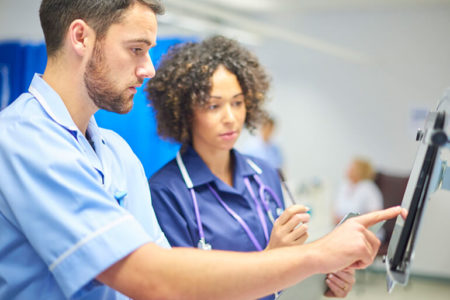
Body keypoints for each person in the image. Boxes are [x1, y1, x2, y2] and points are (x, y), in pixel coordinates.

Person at [0, 1, 406, 299]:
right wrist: (316, 255)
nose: (149, 68)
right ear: (80, 37)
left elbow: (177, 274)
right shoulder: (24, 142)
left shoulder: (115, 152)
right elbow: (152, 277)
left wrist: (310, 273)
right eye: (137, 49)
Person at [147, 36, 353, 299]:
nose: (231, 118)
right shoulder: (166, 192)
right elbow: (181, 291)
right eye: (213, 105)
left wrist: (324, 278)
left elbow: (286, 274)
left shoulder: (264, 173)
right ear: (185, 112)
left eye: (237, 102)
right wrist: (271, 259)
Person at [334, 158, 384, 239]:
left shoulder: (368, 188)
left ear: (361, 171)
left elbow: (375, 215)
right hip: (344, 230)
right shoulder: (344, 186)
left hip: (365, 233)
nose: (348, 169)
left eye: (352, 168)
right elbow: (336, 212)